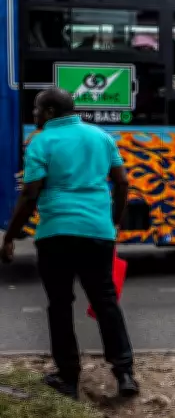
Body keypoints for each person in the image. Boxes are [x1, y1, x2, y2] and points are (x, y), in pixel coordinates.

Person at [1, 88, 139, 400]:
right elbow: (122, 182)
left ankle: (68, 377)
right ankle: (125, 372)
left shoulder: (42, 142)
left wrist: (9, 237)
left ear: (50, 112)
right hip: (97, 232)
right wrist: (113, 221)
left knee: (60, 305)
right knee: (105, 301)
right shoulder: (101, 136)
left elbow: (30, 194)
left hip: (56, 234)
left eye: (37, 109)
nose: (34, 115)